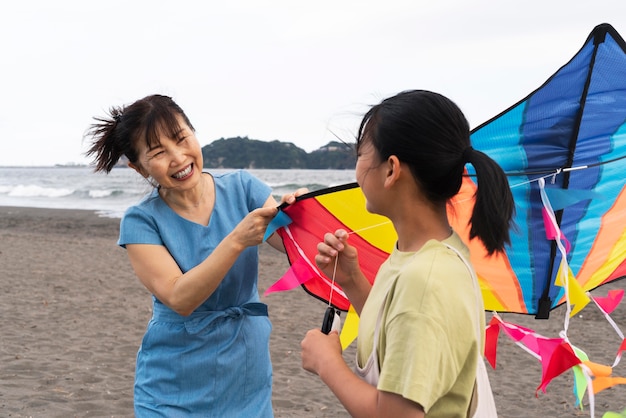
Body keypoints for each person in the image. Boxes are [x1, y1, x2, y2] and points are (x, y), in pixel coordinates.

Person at [85, 94, 302, 417]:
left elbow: (293, 245)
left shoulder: (243, 188)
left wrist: (305, 214)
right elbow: (180, 297)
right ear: (137, 166)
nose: (178, 157)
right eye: (158, 153)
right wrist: (237, 240)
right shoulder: (141, 221)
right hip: (173, 383)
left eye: (181, 138)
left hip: (245, 372)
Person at [300, 90, 514, 417]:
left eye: (361, 154)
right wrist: (353, 281)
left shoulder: (425, 279)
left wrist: (328, 363)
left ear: (391, 170)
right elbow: (397, 331)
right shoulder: (423, 254)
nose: (356, 171)